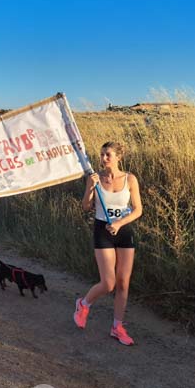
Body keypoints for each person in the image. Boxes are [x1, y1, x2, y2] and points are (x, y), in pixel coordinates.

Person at [74, 141, 142, 346]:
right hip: (102, 231)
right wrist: (89, 187)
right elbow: (86, 207)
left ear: (118, 157)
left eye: (108, 155)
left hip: (123, 231)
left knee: (123, 283)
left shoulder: (130, 179)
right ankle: (83, 304)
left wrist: (120, 223)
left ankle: (117, 327)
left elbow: (138, 210)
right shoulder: (95, 178)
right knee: (108, 283)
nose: (103, 158)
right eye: (102, 154)